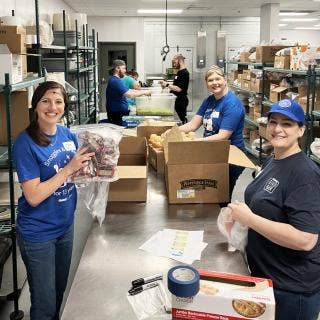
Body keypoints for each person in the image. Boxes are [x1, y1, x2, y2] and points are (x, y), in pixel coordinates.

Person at [228, 99, 320, 320]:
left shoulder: (305, 175)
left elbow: (305, 239)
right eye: (273, 122)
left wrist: (249, 219)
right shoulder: (274, 160)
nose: (278, 129)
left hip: (291, 289)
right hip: (266, 277)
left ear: (301, 130)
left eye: (287, 124)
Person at [13, 81, 95, 320]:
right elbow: (34, 196)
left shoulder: (67, 135)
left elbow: (76, 173)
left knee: (59, 292)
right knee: (45, 303)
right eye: (46, 101)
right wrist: (68, 169)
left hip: (65, 227)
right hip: (38, 233)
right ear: (35, 105)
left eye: (58, 101)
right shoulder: (25, 142)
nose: (52, 107)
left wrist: (97, 164)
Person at [176, 65, 245, 201]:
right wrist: (171, 131)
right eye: (210, 80)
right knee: (209, 191)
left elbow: (223, 136)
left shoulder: (232, 103)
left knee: (221, 195)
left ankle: (223, 219)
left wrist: (196, 142)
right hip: (212, 152)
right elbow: (193, 124)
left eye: (217, 79)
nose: (215, 83)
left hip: (230, 156)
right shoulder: (209, 101)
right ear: (207, 84)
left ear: (224, 80)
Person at [106, 59, 151, 126]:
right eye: (124, 68)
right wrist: (144, 93)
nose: (125, 71)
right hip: (116, 114)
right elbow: (129, 94)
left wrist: (143, 91)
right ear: (117, 68)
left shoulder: (118, 80)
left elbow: (129, 90)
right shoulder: (115, 81)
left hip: (119, 112)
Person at [160, 54, 189, 124]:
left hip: (181, 101)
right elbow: (175, 85)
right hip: (176, 99)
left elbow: (179, 89)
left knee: (180, 121)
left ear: (180, 61)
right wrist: (167, 87)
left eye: (175, 62)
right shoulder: (179, 72)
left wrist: (167, 84)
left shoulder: (185, 73)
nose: (174, 64)